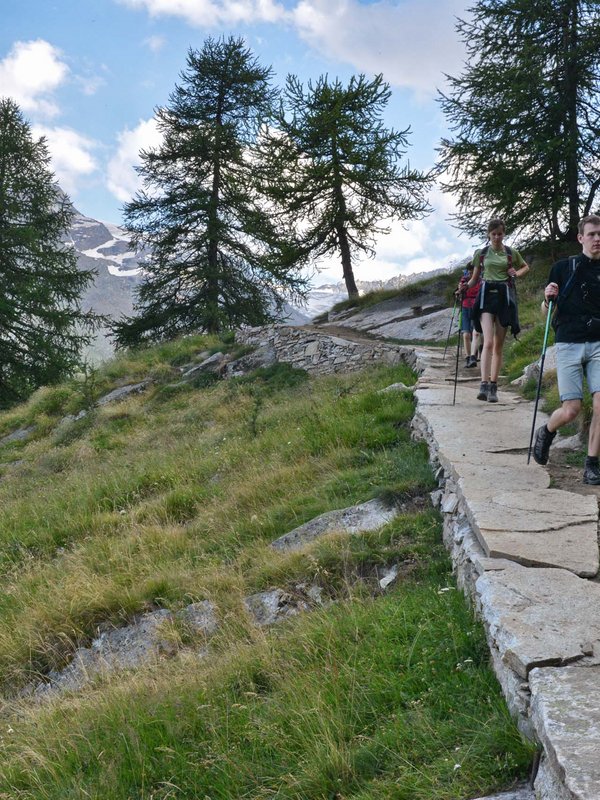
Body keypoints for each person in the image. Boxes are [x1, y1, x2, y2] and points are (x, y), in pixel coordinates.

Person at [532, 214, 600, 485]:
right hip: (568, 341)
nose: (597, 239)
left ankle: (592, 464)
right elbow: (546, 313)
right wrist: (547, 299)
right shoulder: (563, 268)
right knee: (571, 409)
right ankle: (546, 432)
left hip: (598, 343)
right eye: (592, 234)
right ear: (581, 238)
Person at [466, 218, 530, 402]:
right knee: (488, 343)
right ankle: (483, 384)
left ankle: (493, 386)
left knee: (499, 345)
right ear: (488, 234)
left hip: (504, 296)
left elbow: (525, 267)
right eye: (493, 234)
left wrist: (516, 273)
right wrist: (464, 288)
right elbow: (475, 278)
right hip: (486, 297)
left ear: (504, 234)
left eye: (499, 234)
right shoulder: (481, 253)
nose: (496, 237)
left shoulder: (510, 253)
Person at [457, 266, 481, 368]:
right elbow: (459, 296)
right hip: (466, 308)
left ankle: (473, 356)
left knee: (476, 333)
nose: (471, 275)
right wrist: (459, 292)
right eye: (469, 272)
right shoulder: (464, 281)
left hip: (477, 308)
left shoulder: (481, 281)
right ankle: (469, 358)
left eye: (473, 272)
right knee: (466, 334)